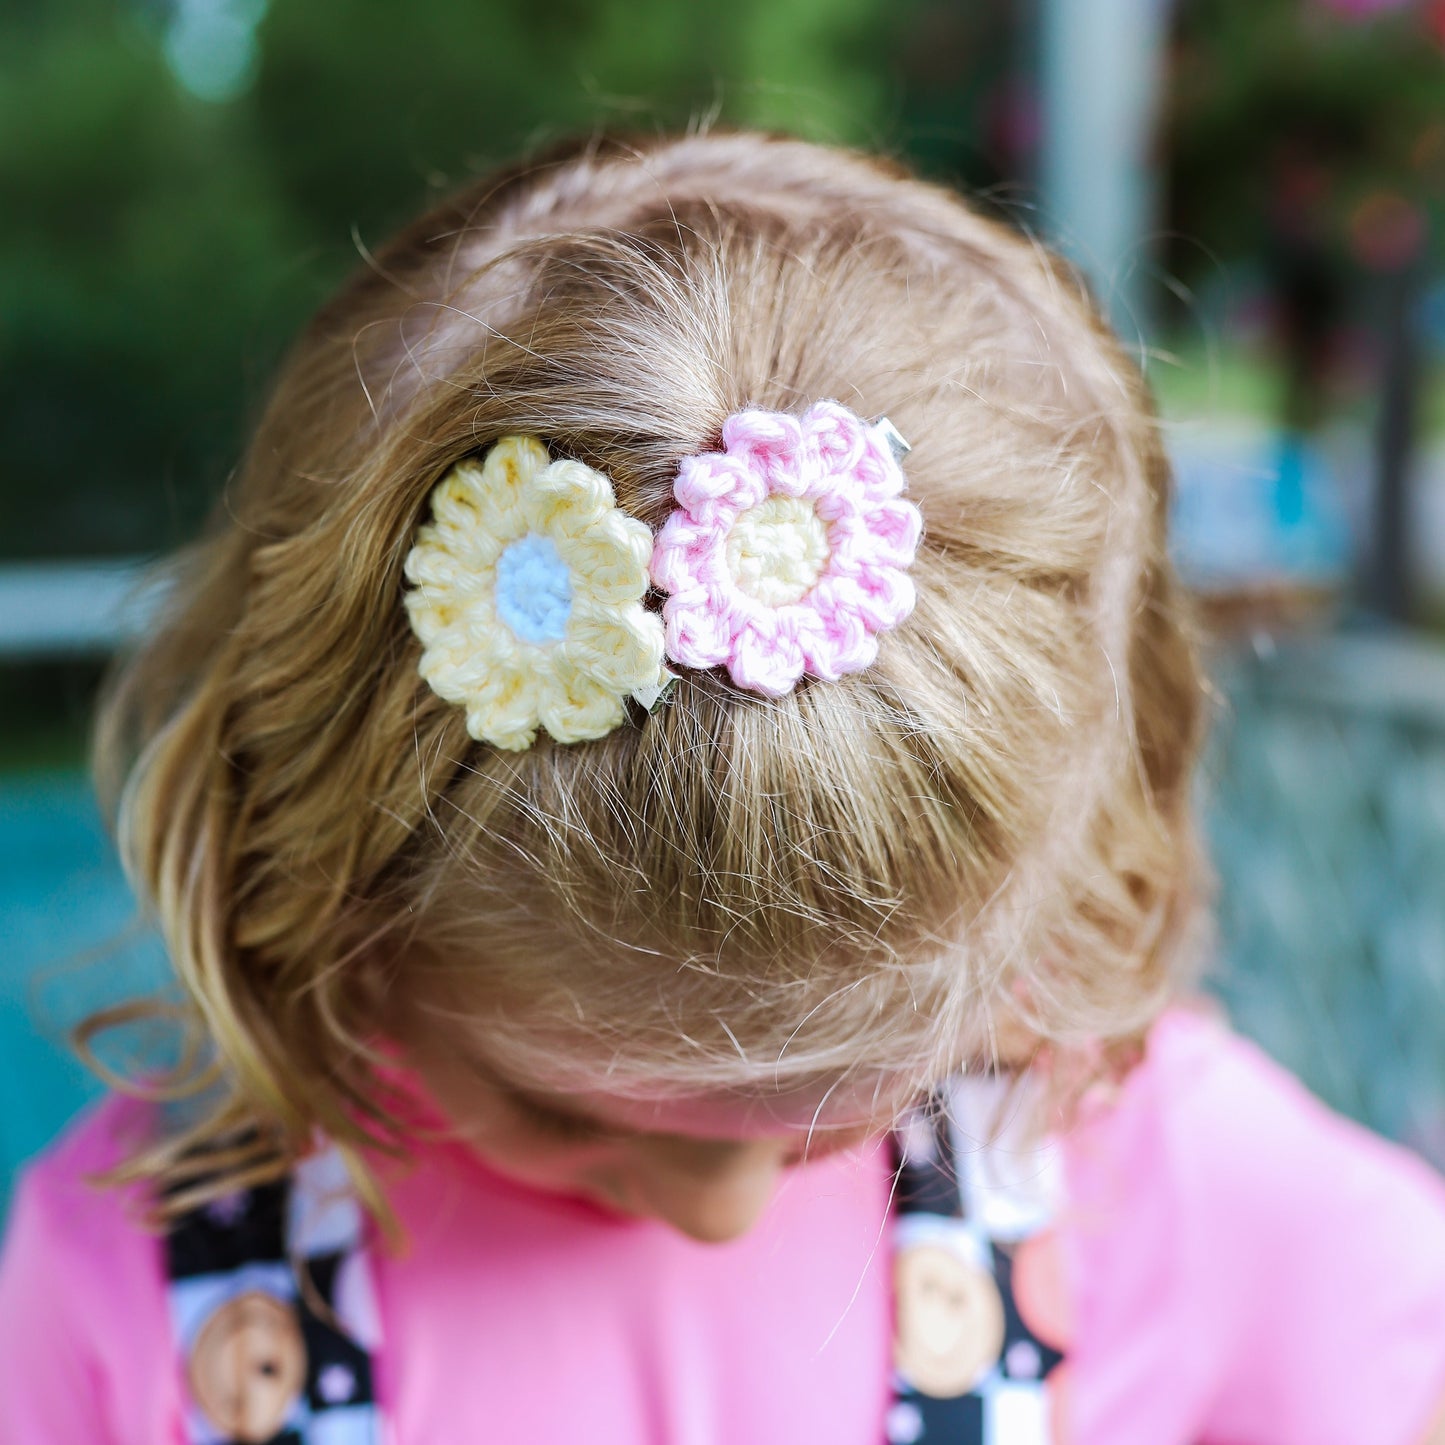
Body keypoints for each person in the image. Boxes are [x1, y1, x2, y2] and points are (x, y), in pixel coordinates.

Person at [2, 130, 1443, 1445]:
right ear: (326, 891)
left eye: (839, 1120)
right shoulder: (138, 1286)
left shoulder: (1202, 1216)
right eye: (571, 1111)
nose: (719, 1206)